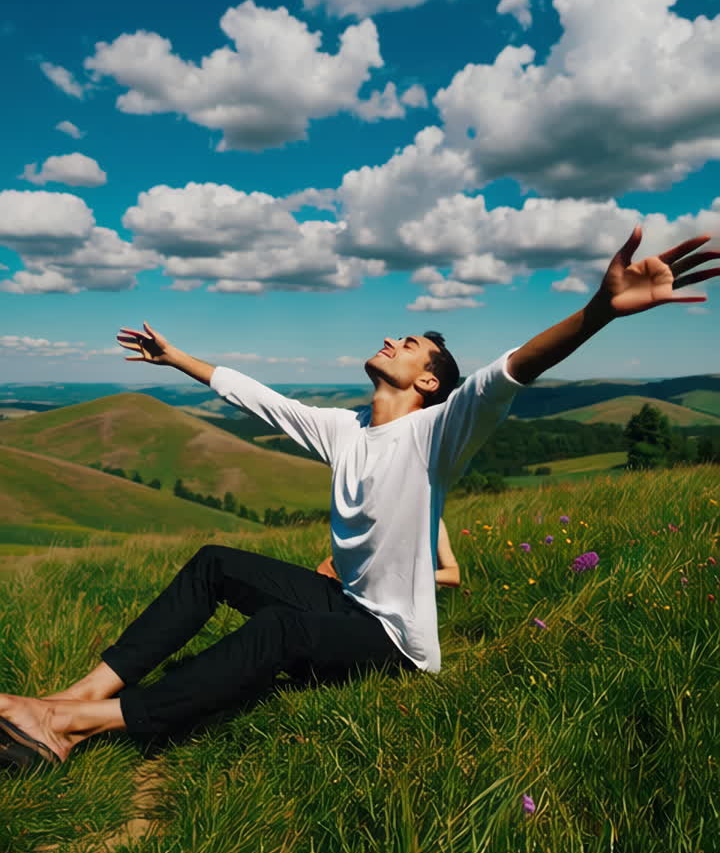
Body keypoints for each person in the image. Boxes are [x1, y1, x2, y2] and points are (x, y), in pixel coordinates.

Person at [1, 226, 717, 770]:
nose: (389, 339)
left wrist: (599, 309)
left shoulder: (441, 432)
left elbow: (511, 370)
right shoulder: (344, 430)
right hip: (345, 605)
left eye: (406, 343)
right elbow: (255, 396)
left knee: (279, 631)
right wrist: (176, 357)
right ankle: (79, 694)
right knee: (215, 562)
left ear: (429, 381)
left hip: (393, 641)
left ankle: (79, 728)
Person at [316, 517, 459, 587]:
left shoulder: (432, 521)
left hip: (411, 599)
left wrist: (410, 575)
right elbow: (327, 568)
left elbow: (453, 575)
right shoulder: (378, 519)